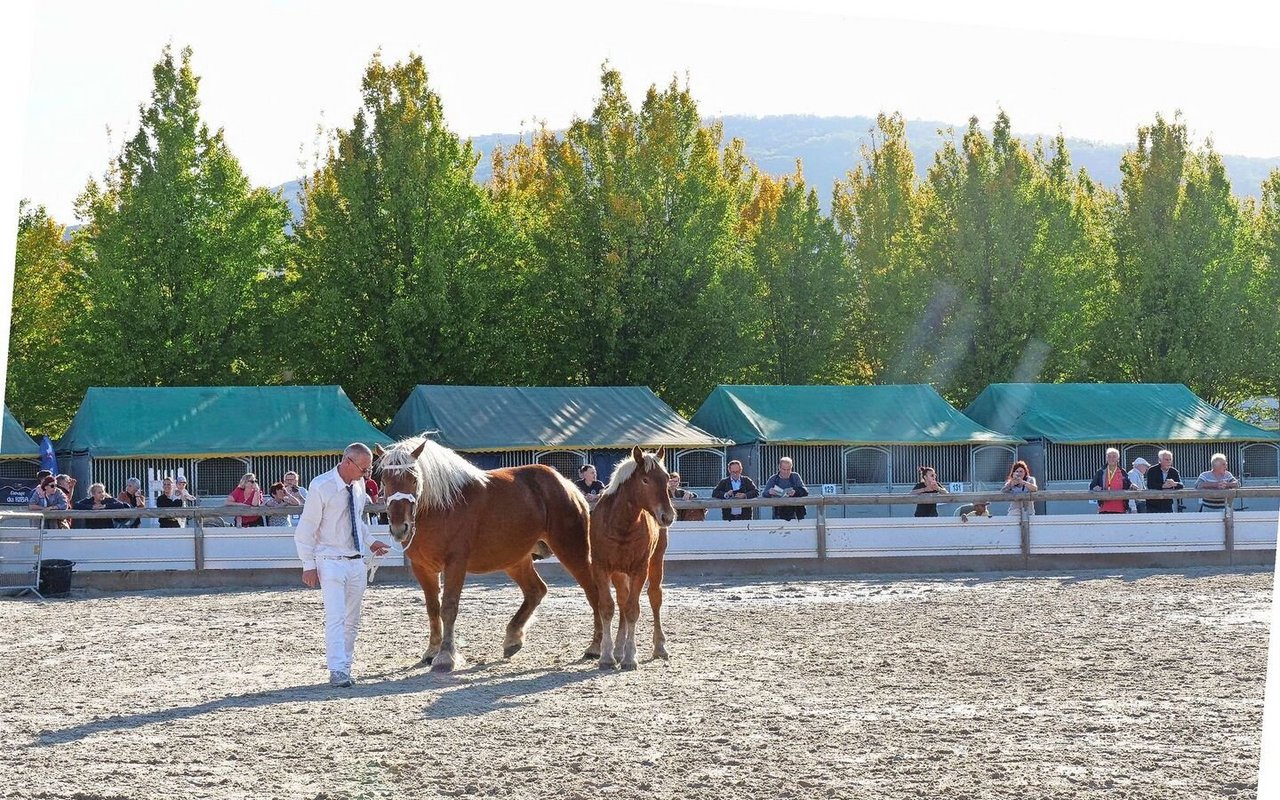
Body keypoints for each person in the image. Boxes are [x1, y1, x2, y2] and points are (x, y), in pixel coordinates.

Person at [294, 443, 391, 688]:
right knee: (336, 617)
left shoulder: (358, 487)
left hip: (356, 561)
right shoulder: (321, 486)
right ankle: (337, 669)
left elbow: (357, 521)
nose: (366, 474)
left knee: (352, 619)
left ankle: (345, 665)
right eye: (364, 468)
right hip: (330, 561)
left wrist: (370, 542)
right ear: (348, 461)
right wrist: (308, 564)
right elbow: (306, 527)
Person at [761, 456, 809, 521]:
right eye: (784, 469)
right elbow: (764, 494)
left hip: (796, 514)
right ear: (779, 468)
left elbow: (805, 491)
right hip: (779, 515)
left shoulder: (795, 477)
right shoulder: (773, 479)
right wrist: (769, 492)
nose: (786, 472)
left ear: (791, 468)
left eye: (788, 469)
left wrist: (795, 492)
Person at [1089, 447, 1132, 514]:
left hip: (1120, 508)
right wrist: (1095, 487)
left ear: (1118, 459)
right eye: (1109, 456)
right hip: (1104, 508)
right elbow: (1092, 486)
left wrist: (1132, 486)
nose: (1111, 459)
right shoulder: (1101, 472)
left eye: (1114, 457)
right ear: (1106, 458)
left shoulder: (1122, 471)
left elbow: (1128, 485)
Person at [1144, 449, 1183, 514]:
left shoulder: (1174, 471)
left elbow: (1181, 485)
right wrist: (1163, 486)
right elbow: (1150, 485)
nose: (1169, 462)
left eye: (1170, 460)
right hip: (1153, 504)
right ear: (1160, 460)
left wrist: (1174, 484)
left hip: (1167, 504)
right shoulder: (1152, 470)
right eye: (1166, 460)